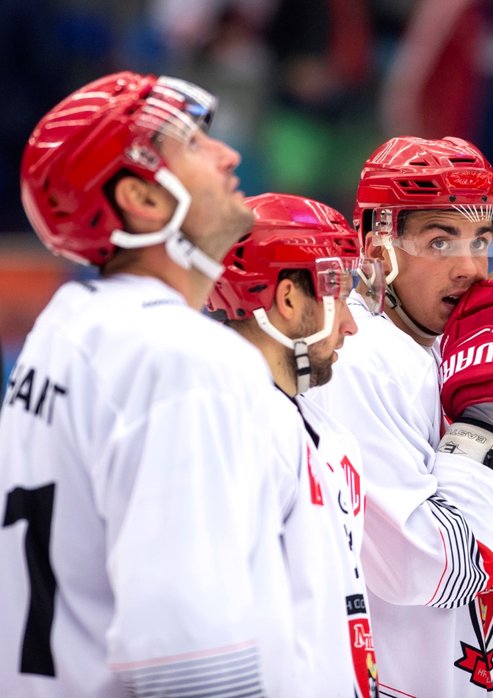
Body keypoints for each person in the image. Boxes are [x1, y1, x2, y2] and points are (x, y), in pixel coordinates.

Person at [0, 71, 303, 696]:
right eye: (193, 143)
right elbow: (187, 655)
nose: (229, 154)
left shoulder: (64, 331)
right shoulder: (186, 361)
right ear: (143, 197)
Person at [300, 135, 493, 697]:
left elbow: (471, 599)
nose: (470, 268)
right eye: (439, 240)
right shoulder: (359, 359)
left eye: (481, 238)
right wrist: (482, 424)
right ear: (375, 246)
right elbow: (418, 569)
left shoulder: (459, 349)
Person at [205, 192, 387, 696]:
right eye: (338, 296)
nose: (351, 324)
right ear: (287, 299)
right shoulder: (231, 429)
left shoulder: (320, 429)